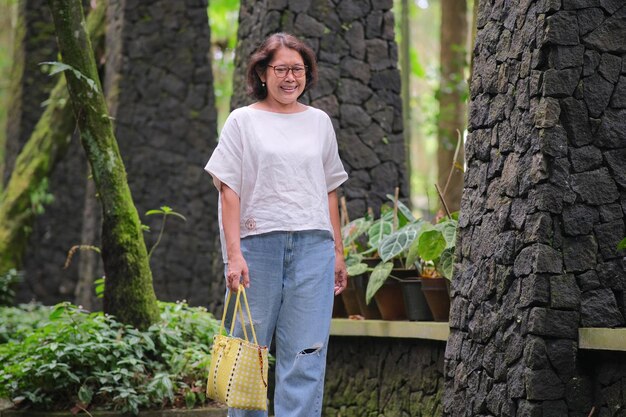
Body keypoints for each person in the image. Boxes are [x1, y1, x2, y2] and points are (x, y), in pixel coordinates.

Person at [204, 32, 349, 417]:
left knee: (306, 354)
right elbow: (228, 190)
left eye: (297, 69)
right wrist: (233, 256)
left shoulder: (319, 123)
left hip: (313, 250)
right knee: (248, 354)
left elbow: (330, 190)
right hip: (257, 249)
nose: (290, 78)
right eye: (281, 69)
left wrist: (338, 252)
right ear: (263, 73)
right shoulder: (243, 121)